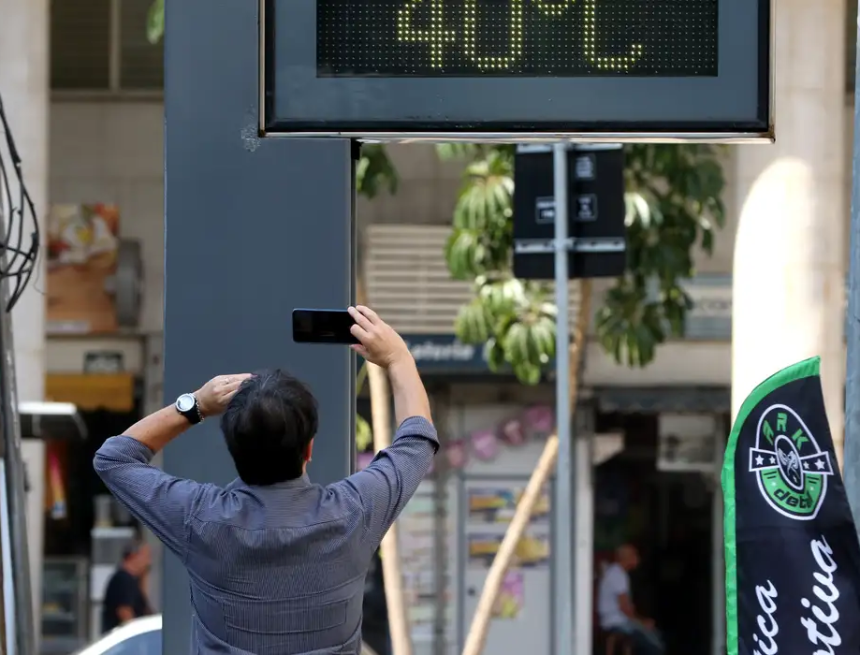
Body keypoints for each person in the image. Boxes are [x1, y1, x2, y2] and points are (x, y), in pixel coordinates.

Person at [94, 306, 436, 655]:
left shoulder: (199, 519)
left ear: (234, 449)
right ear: (309, 448)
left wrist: (195, 405)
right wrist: (398, 358)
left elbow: (115, 457)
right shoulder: (354, 512)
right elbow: (418, 440)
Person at [597, 544, 664, 655]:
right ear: (627, 558)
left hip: (613, 620)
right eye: (635, 555)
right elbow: (624, 607)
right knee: (655, 644)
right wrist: (641, 622)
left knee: (653, 634)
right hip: (616, 621)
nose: (638, 558)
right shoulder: (618, 575)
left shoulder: (615, 572)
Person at [101, 540, 152, 634]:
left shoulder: (132, 581)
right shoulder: (123, 579)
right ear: (133, 556)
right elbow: (125, 612)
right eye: (146, 557)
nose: (148, 562)